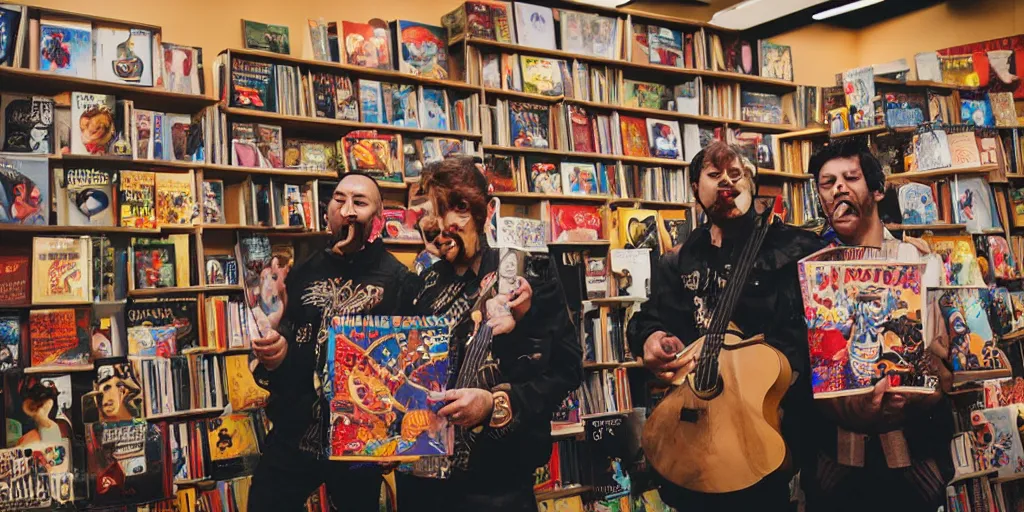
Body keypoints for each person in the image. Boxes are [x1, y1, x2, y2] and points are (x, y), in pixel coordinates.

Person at [627, 141, 823, 511]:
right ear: (694, 189)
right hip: (695, 434)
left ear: (752, 185)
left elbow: (810, 336)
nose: (726, 184)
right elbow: (646, 319)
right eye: (714, 176)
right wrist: (652, 339)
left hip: (760, 431)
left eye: (737, 175)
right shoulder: (679, 259)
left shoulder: (794, 249)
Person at [398, 155, 582, 512]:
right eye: (434, 209)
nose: (445, 222)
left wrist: (495, 404)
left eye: (459, 207)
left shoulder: (531, 272)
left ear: (488, 210)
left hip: (499, 482)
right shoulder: (418, 284)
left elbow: (567, 368)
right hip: (422, 481)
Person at [247, 172, 418, 512]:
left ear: (379, 219)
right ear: (327, 213)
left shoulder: (400, 281)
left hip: (360, 440)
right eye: (340, 200)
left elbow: (409, 367)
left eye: (360, 202)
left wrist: (397, 438)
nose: (349, 210)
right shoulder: (302, 273)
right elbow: (287, 358)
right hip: (296, 433)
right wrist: (275, 351)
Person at [804, 139, 953, 512]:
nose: (838, 188)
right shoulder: (811, 270)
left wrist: (921, 389)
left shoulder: (920, 261)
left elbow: (948, 368)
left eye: (850, 177)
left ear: (876, 189)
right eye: (827, 182)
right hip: (836, 464)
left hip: (911, 460)